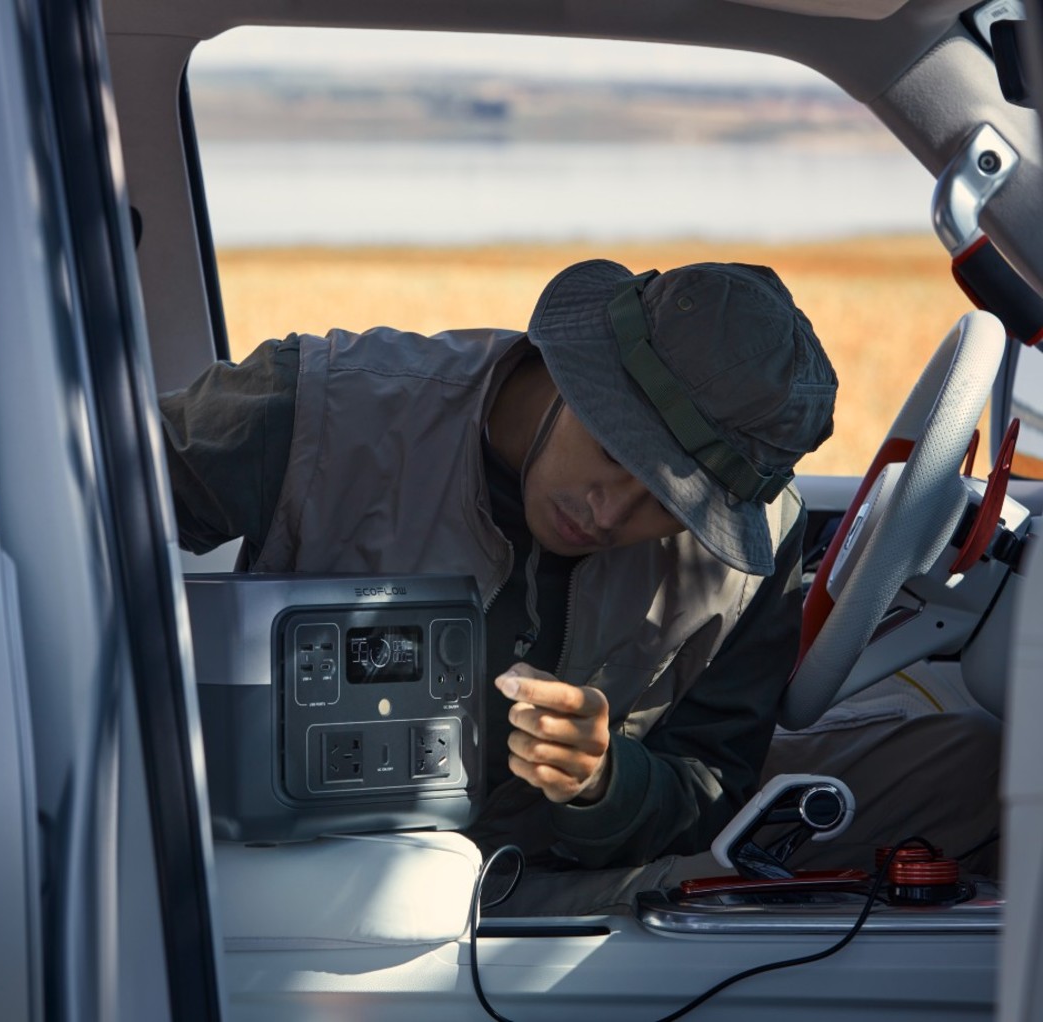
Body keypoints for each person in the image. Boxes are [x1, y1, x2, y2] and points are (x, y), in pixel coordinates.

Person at [162, 258, 840, 908]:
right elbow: (70, 530)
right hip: (281, 889)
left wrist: (604, 782)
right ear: (579, 374)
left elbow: (716, 786)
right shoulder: (314, 410)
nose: (607, 512)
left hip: (538, 902)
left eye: (670, 506)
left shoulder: (754, 561)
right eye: (612, 450)